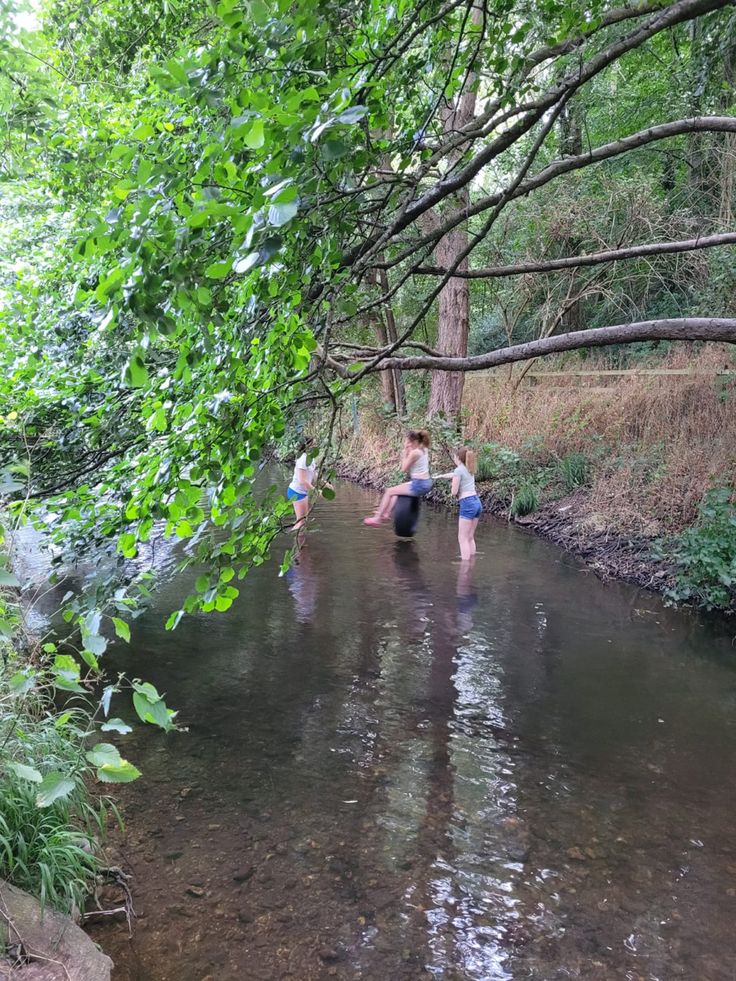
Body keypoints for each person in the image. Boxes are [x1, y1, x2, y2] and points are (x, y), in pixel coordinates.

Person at [364, 430, 433, 526]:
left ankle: (377, 519)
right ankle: (386, 513)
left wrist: (405, 453)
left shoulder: (415, 453)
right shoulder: (424, 448)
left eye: (407, 442)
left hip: (419, 484)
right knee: (395, 492)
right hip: (425, 482)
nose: (406, 444)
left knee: (389, 492)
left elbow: (404, 469)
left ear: (413, 442)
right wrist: (409, 452)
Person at [437, 447, 482, 560]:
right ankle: (471, 563)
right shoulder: (469, 468)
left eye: (454, 457)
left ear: (458, 458)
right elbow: (456, 474)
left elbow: (454, 492)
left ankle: (464, 568)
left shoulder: (459, 470)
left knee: (462, 538)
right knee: (470, 537)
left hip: (467, 503)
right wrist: (441, 476)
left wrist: (452, 485)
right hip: (477, 503)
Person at [287, 440, 319, 545]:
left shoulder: (311, 459)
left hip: (303, 492)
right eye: (313, 444)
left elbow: (314, 476)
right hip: (296, 491)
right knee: (301, 521)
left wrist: (326, 484)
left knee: (303, 521)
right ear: (307, 446)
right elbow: (302, 480)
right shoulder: (303, 459)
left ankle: (299, 542)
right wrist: (315, 491)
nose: (316, 445)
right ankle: (295, 544)